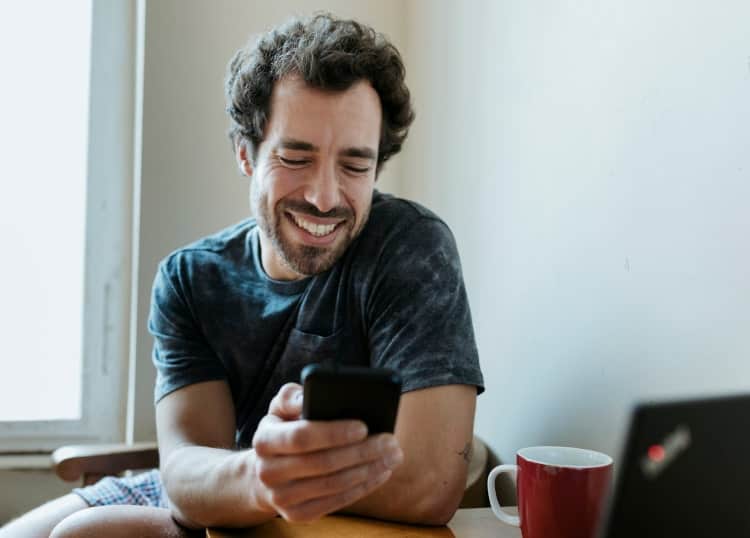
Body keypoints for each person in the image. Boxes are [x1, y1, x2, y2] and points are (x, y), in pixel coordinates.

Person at [0, 13, 483, 537]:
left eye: (354, 166)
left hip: (323, 511)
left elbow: (430, 482)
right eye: (296, 158)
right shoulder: (190, 279)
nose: (325, 197)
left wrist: (267, 481)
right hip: (222, 485)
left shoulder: (410, 246)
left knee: (83, 535)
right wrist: (259, 476)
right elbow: (185, 477)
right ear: (246, 155)